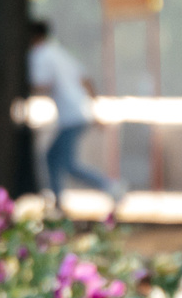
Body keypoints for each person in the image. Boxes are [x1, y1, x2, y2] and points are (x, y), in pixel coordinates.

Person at [30, 18, 126, 207]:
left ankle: (110, 186)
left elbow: (42, 84)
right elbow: (86, 80)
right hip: (79, 112)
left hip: (71, 116)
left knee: (68, 164)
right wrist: (94, 111)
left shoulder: (40, 55)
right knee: (51, 157)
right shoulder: (59, 52)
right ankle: (58, 200)